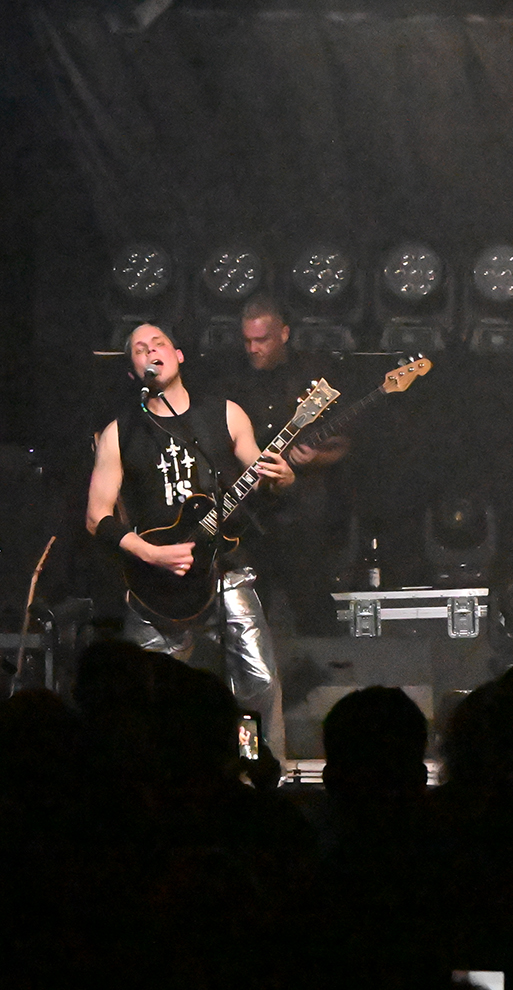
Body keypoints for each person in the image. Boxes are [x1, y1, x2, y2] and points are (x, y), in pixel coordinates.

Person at [86, 322, 294, 762]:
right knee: (147, 693)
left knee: (256, 681)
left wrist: (282, 478)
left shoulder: (225, 413)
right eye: (139, 349)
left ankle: (255, 769)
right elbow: (96, 517)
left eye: (158, 343)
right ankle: (154, 777)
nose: (150, 352)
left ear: (178, 355)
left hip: (222, 568)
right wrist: (150, 552)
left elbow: (261, 479)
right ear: (132, 371)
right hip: (155, 584)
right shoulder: (120, 433)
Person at [231, 295, 353, 633]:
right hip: (251, 513)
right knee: (253, 608)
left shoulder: (311, 376)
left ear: (284, 334)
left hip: (303, 510)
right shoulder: (235, 381)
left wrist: (315, 457)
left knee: (312, 601)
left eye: (262, 340)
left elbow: (345, 444)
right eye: (247, 341)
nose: (253, 349)